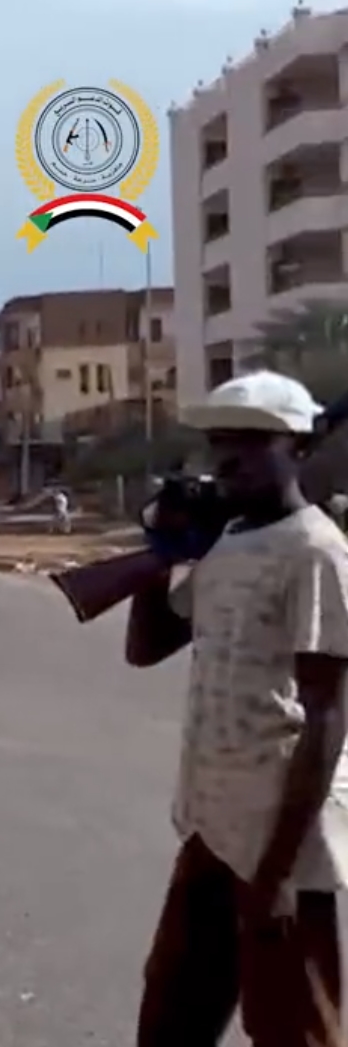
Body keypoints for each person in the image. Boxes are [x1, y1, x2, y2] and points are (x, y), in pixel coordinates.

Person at [123, 371, 348, 1046]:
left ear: (299, 450)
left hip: (281, 841)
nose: (229, 458)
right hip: (211, 830)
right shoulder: (228, 543)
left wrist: (276, 876)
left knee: (294, 1029)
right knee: (170, 1020)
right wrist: (160, 553)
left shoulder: (317, 553)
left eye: (252, 442)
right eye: (220, 442)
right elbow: (148, 646)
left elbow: (327, 720)